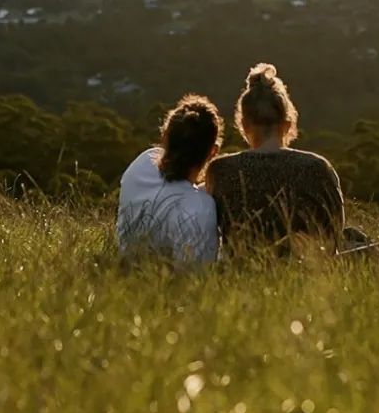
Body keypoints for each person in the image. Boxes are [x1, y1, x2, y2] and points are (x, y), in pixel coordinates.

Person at [205, 64, 346, 255]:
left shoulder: (221, 170)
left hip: (242, 276)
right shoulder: (317, 168)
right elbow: (334, 236)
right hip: (309, 278)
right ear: (287, 124)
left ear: (244, 125)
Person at [117, 94, 224, 265]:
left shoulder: (141, 166)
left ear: (165, 137)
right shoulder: (201, 210)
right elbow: (196, 279)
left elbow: (176, 188)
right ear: (213, 151)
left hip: (120, 282)